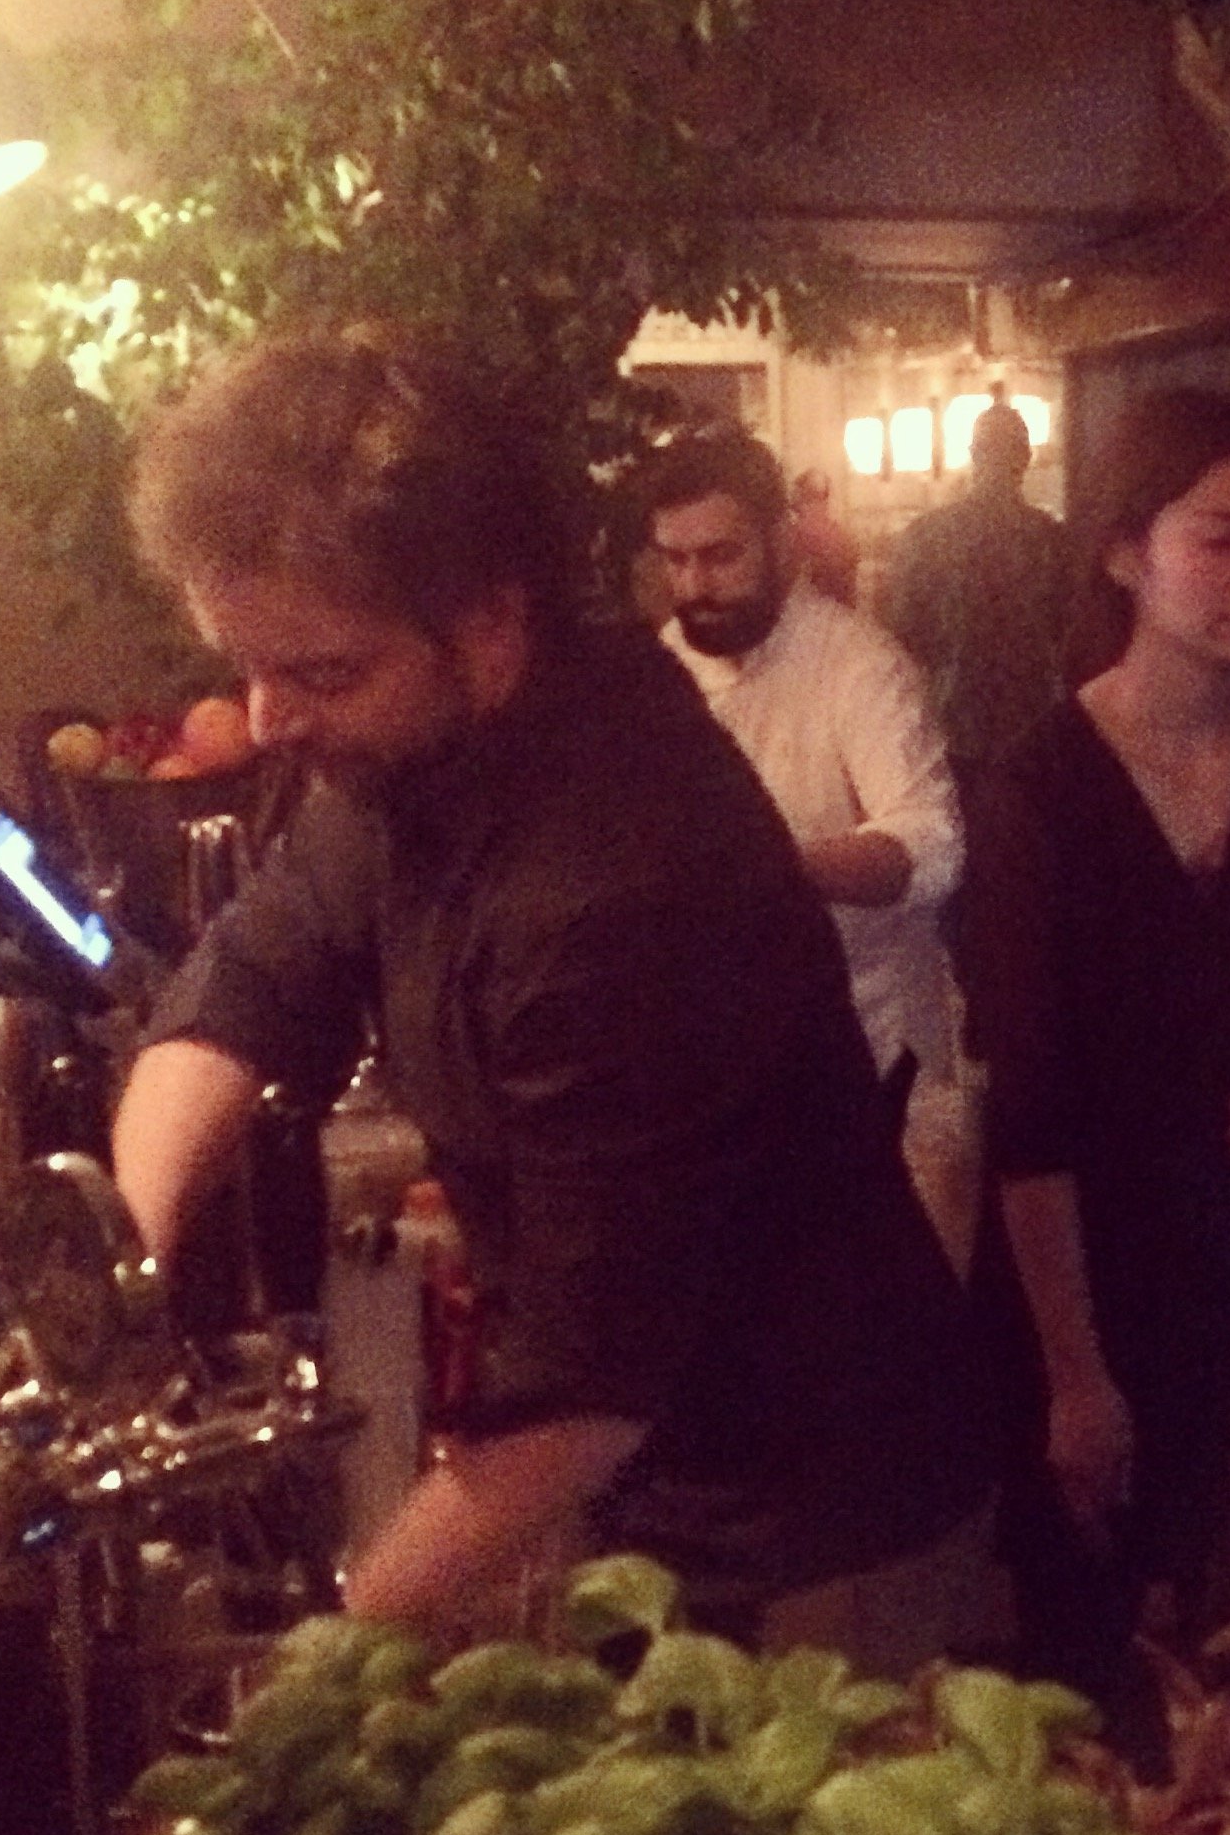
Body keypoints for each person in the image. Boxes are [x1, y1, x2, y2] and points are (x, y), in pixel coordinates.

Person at [109, 329, 990, 1665]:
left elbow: (585, 1396)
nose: (272, 717)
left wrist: (318, 1661)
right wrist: (122, 1270)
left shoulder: (617, 883)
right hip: (655, 1482)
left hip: (826, 1532)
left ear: (492, 625)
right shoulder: (416, 747)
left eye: (321, 672)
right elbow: (250, 981)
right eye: (251, 668)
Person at [958, 385, 1230, 1728]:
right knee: (1098, 1671)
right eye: (1220, 538)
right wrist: (1077, 1378)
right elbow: (1030, 1114)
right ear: (1128, 552)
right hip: (1095, 1280)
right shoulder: (1040, 788)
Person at [642, 425, 979, 1274]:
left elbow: (933, 845)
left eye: (720, 556)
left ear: (782, 540)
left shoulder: (859, 667)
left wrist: (777, 869)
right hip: (719, 1084)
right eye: (674, 561)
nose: (694, 586)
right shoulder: (665, 668)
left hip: (876, 1072)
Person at [883, 402, 1082, 785]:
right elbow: (1069, 633)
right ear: (1026, 458)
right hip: (1032, 719)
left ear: (973, 454)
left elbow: (903, 633)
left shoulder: (926, 535)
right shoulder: (1053, 540)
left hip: (949, 721)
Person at [787, 465, 860, 607]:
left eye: (819, 497)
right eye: (809, 497)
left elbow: (848, 595)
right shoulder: (789, 540)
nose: (816, 504)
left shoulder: (843, 540)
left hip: (835, 617)